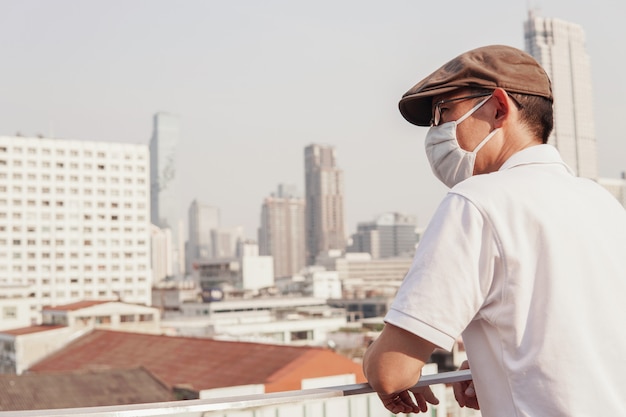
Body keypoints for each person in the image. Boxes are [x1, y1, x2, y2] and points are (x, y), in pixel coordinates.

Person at [362, 44, 626, 416]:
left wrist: (373, 359)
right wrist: (494, 366)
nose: (437, 131)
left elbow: (392, 371)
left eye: (444, 112)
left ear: (499, 107)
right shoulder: (601, 200)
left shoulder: (476, 201)